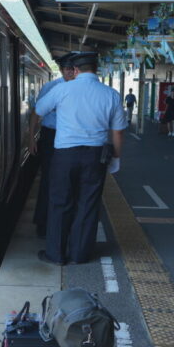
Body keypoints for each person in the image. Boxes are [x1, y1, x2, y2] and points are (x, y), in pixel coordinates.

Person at [34, 52, 128, 265]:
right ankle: (80, 254)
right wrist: (116, 157)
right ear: (96, 69)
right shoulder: (111, 94)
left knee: (60, 202)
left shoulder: (62, 89)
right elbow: (118, 132)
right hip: (95, 156)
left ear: (75, 70)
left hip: (64, 155)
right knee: (88, 204)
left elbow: (39, 110)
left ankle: (55, 254)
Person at [29, 53, 77, 236]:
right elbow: (36, 113)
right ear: (61, 70)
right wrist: (31, 139)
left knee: (71, 181)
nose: (70, 72)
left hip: (72, 137)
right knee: (48, 180)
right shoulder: (51, 87)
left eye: (73, 69)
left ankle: (66, 224)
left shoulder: (80, 88)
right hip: (51, 136)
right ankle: (43, 224)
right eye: (67, 69)